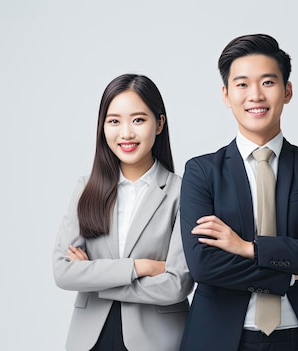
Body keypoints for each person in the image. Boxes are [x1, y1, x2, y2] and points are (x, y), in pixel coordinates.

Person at [178, 34, 298, 351]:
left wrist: (247, 248)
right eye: (242, 84)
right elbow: (204, 264)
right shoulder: (201, 172)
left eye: (268, 82)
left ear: (287, 91)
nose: (255, 95)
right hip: (220, 338)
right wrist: (294, 267)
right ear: (226, 95)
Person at [52, 74, 194, 351]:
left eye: (138, 120)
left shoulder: (181, 192)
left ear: (159, 124)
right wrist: (141, 267)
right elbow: (63, 272)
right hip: (90, 339)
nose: (126, 133)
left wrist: (94, 278)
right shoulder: (86, 188)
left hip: (158, 340)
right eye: (114, 121)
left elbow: (176, 284)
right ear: (102, 127)